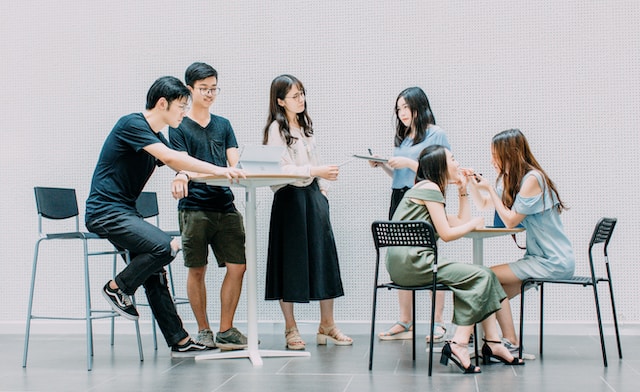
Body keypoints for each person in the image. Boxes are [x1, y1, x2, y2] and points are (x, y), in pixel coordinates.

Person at [85, 76, 245, 357]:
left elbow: (181, 162)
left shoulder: (155, 137)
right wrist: (218, 170)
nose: (185, 113)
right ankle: (116, 288)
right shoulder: (131, 124)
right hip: (105, 211)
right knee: (165, 246)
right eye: (182, 107)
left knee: (155, 274)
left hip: (124, 211)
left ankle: (179, 340)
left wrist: (209, 171)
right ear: (163, 104)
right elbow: (173, 159)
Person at [386, 144, 524, 373]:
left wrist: (463, 190)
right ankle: (460, 344)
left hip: (403, 265)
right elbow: (450, 234)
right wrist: (476, 222)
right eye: (453, 159)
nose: (457, 163)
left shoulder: (423, 189)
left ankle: (493, 342)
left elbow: (460, 221)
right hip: (416, 264)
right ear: (440, 165)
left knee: (484, 276)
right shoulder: (430, 188)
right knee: (483, 275)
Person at [262, 74, 352, 350]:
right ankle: (291, 328)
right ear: (280, 101)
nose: (301, 99)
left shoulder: (305, 125)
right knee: (289, 262)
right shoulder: (276, 129)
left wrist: (322, 190)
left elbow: (317, 161)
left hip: (313, 197)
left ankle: (327, 325)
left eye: (302, 93)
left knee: (324, 259)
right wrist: (315, 172)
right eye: (294, 96)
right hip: (289, 200)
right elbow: (279, 170)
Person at [470, 128, 575, 354]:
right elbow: (485, 205)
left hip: (553, 261)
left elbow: (510, 221)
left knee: (487, 276)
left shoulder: (533, 179)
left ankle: (501, 340)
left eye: (495, 154)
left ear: (510, 153)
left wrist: (489, 187)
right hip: (538, 258)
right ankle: (505, 342)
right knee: (491, 291)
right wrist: (471, 185)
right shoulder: (513, 180)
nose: (491, 160)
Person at [169, 62, 248, 350]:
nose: (210, 94)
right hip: (194, 208)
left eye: (214, 88)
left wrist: (237, 168)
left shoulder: (224, 125)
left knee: (238, 266)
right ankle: (204, 330)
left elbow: (234, 161)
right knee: (197, 269)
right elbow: (181, 164)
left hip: (225, 205)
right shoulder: (178, 126)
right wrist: (188, 174)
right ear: (189, 89)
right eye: (204, 89)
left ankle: (226, 329)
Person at [371, 87, 450, 343]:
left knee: (428, 256)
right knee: (400, 256)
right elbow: (400, 177)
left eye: (406, 107)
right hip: (400, 197)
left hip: (425, 197)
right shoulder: (403, 138)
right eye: (398, 108)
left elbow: (440, 171)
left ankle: (437, 323)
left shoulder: (436, 134)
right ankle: (405, 320)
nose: (402, 113)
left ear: (419, 106)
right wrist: (384, 164)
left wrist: (407, 163)